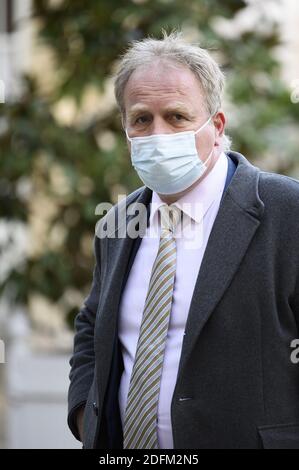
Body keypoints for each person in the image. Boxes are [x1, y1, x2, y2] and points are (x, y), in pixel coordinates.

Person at [67, 32, 299, 449]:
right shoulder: (120, 221)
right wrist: (89, 417)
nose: (158, 134)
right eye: (141, 119)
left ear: (217, 125)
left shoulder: (286, 210)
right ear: (125, 129)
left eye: (176, 116)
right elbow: (92, 325)